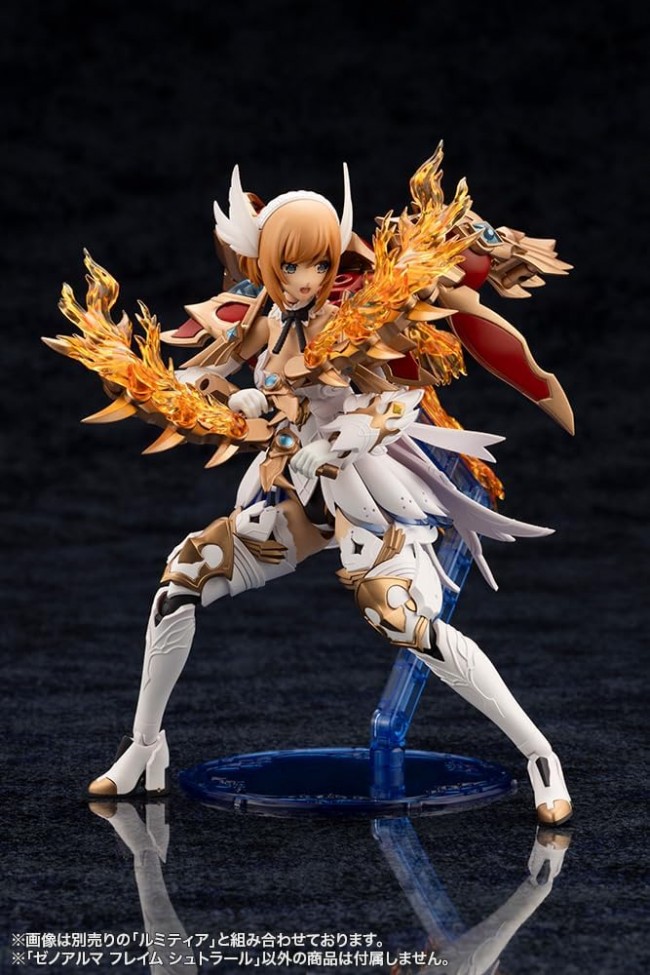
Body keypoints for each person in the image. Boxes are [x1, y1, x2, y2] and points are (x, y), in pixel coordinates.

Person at [45, 148, 573, 825]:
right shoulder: (258, 320)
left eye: (319, 265)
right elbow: (217, 384)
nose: (306, 279)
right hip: (292, 497)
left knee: (406, 624)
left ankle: (540, 755)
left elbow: (397, 403)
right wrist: (196, 395)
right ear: (268, 264)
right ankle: (144, 748)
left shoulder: (359, 317)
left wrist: (346, 434)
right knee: (182, 579)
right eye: (291, 266)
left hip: (362, 495)